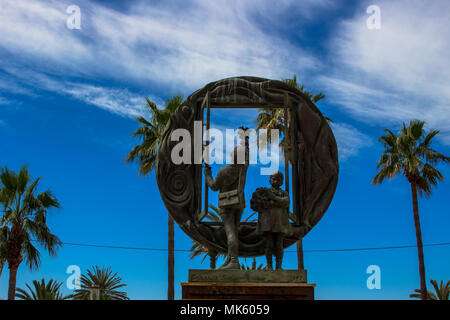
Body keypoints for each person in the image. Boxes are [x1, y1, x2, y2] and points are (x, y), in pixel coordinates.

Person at [204, 143, 249, 270]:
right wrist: (246, 143)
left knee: (230, 232)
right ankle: (230, 259)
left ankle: (234, 261)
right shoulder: (243, 169)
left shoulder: (224, 171)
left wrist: (207, 175)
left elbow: (213, 186)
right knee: (234, 230)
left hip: (226, 204)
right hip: (239, 203)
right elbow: (248, 158)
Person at [250, 171, 292, 270]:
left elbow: (286, 202)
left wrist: (273, 198)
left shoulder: (283, 193)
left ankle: (278, 266)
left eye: (278, 179)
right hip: (268, 222)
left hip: (280, 222)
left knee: (279, 245)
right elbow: (255, 205)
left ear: (282, 181)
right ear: (269, 180)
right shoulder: (263, 192)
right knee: (269, 244)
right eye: (273, 178)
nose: (276, 180)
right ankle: (269, 266)